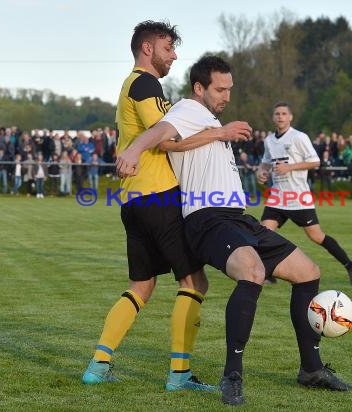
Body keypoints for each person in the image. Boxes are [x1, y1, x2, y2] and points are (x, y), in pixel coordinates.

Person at [116, 55, 352, 406]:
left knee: (308, 273)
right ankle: (232, 374)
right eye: (220, 89)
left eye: (229, 89)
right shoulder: (188, 109)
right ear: (199, 88)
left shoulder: (209, 120)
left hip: (238, 218)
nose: (227, 95)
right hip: (206, 219)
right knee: (252, 272)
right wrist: (134, 149)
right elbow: (160, 133)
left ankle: (311, 369)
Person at [82, 21, 251, 391]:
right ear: (147, 48)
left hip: (133, 198)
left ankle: (98, 365)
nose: (173, 55)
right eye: (168, 48)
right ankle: (179, 375)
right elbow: (166, 140)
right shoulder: (145, 83)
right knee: (195, 280)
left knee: (141, 286)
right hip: (160, 194)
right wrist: (220, 132)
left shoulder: (131, 85)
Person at [257, 102, 352, 287]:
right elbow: (265, 163)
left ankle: (351, 266)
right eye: (277, 114)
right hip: (278, 197)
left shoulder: (299, 137)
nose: (280, 117)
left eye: (283, 113)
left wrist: (290, 167)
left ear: (290, 117)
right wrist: (261, 172)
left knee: (316, 236)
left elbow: (315, 162)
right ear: (273, 118)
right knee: (263, 233)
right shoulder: (269, 140)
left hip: (298, 198)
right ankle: (269, 271)